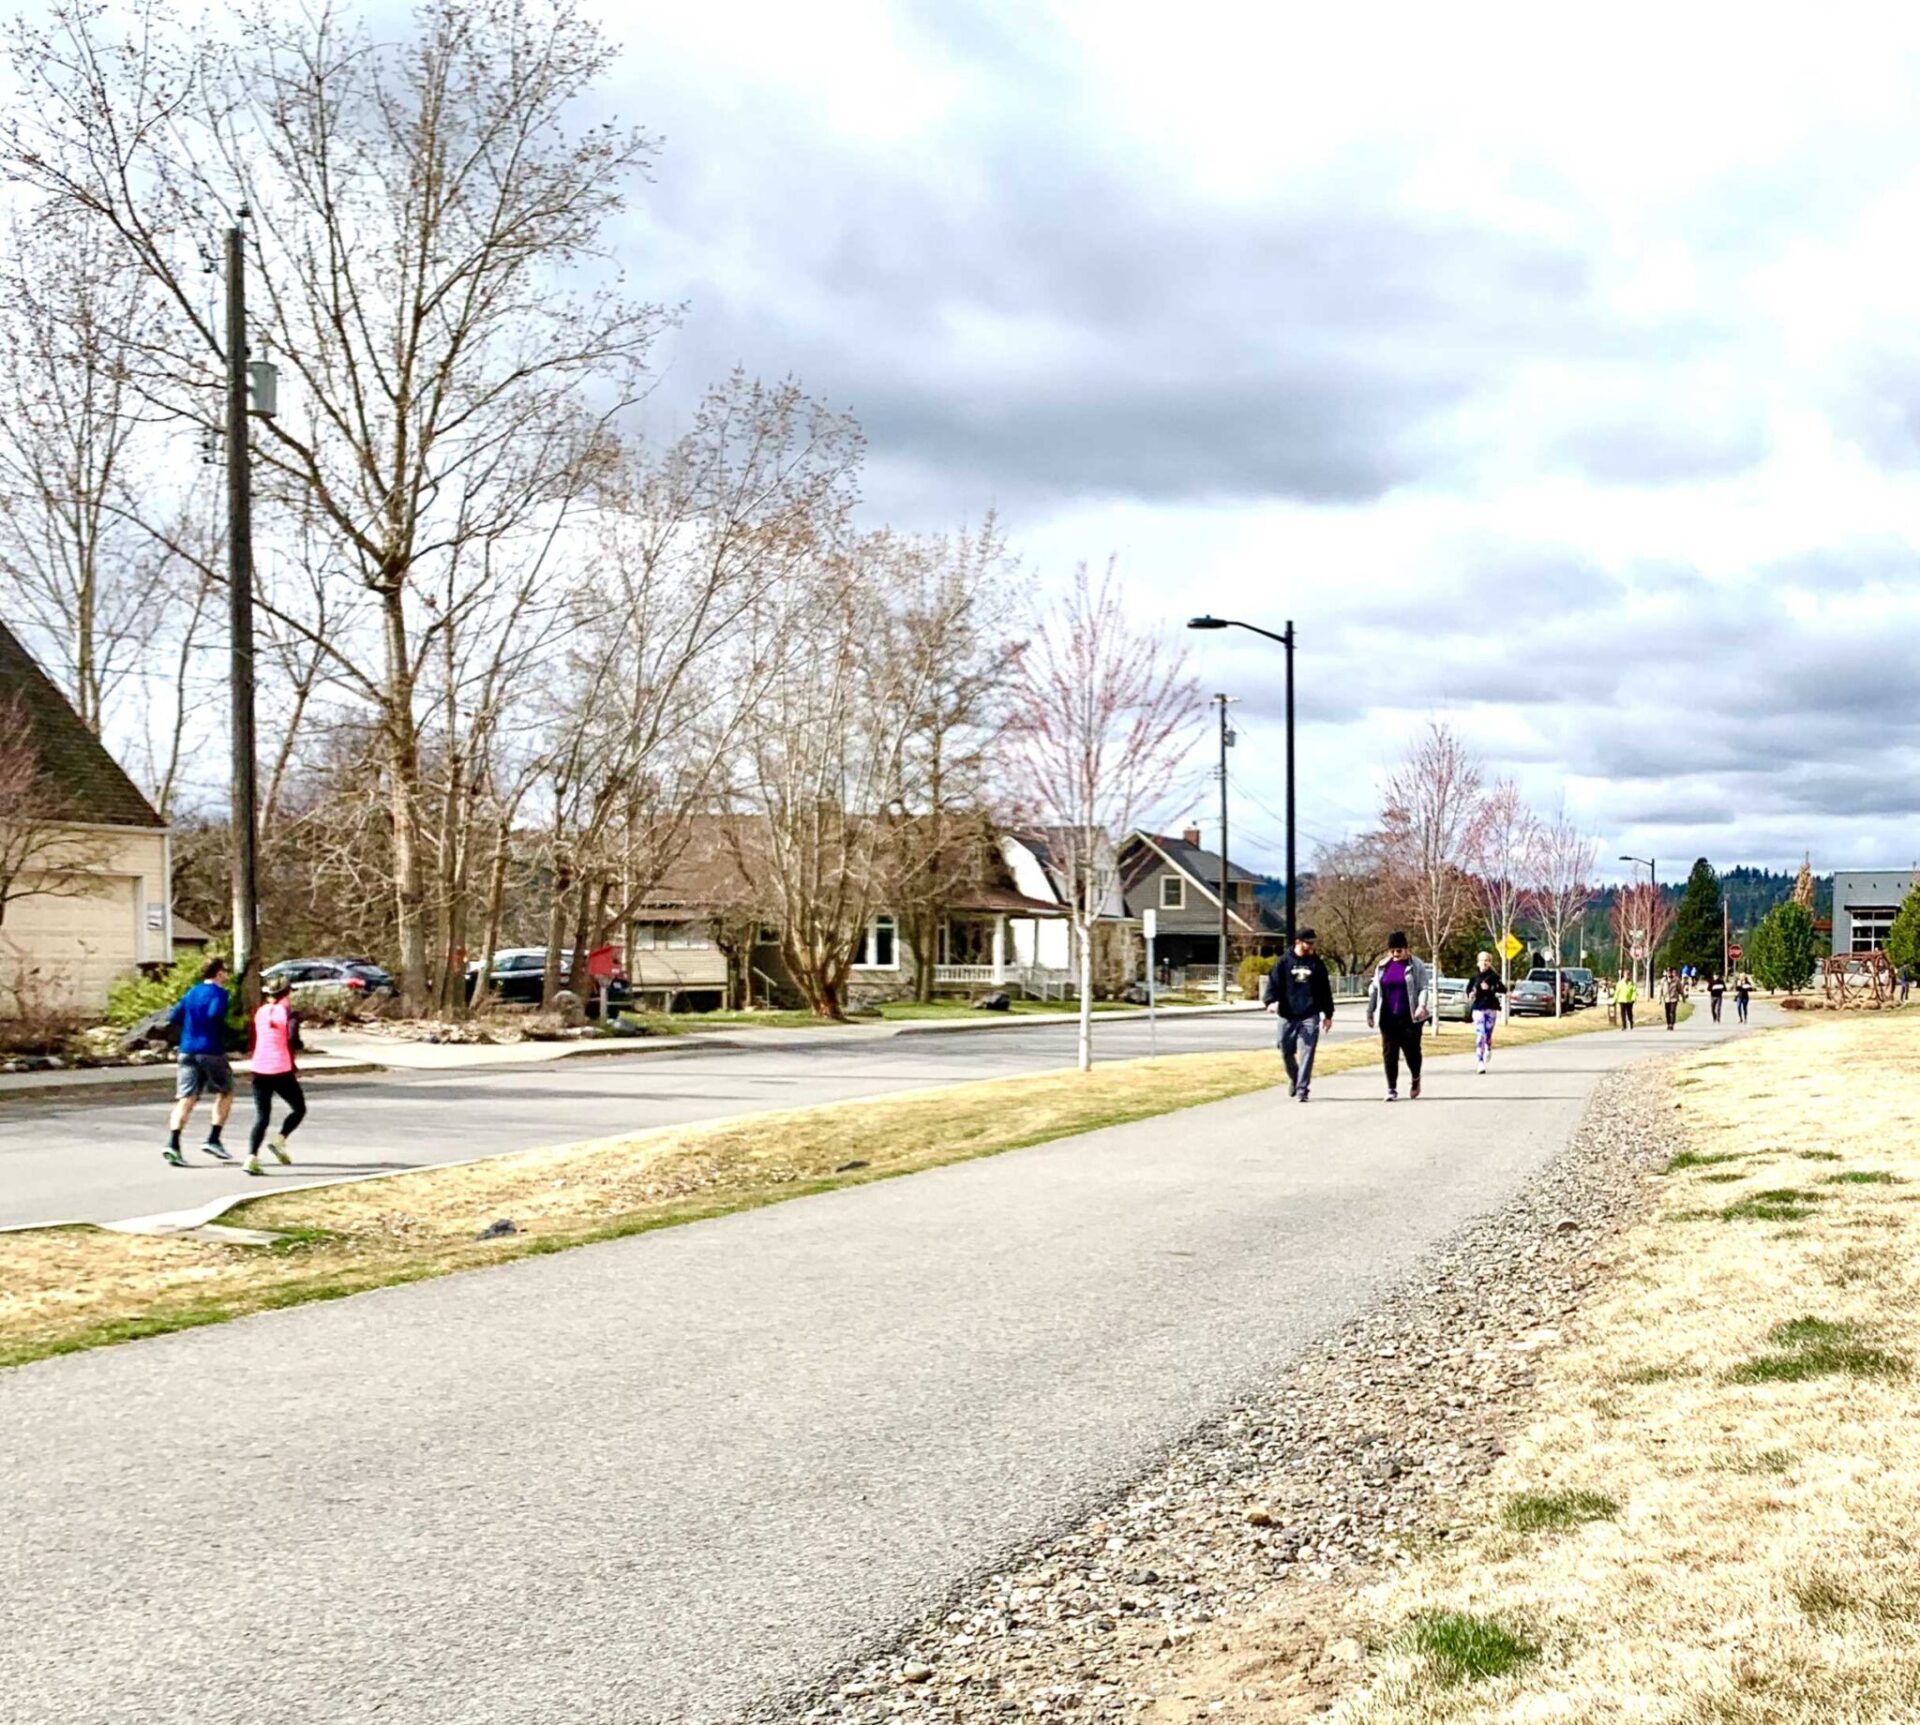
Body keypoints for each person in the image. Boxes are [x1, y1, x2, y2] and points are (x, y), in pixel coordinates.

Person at [165, 956, 235, 1165]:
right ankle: (214, 1138)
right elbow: (215, 1014)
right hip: (211, 1049)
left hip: (187, 1049)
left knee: (186, 1098)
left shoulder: (192, 992)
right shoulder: (220, 994)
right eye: (225, 971)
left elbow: (175, 1016)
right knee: (225, 1092)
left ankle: (173, 1143)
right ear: (219, 973)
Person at [1262, 927, 1336, 1102]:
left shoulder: (1316, 964)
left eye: (1313, 943)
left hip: (1309, 1014)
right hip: (1287, 1014)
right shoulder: (1283, 962)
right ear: (1298, 942)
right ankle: (1295, 1078)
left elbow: (1325, 990)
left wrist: (1328, 1014)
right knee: (1285, 1050)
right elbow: (1273, 983)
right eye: (1308, 943)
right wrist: (1270, 1001)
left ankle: (1302, 1089)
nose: (1311, 946)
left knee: (1307, 1051)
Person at [246, 972, 307, 1177]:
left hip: (259, 1068)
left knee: (262, 1117)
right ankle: (279, 1140)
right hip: (281, 1069)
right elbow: (292, 1038)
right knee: (299, 1108)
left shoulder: (261, 1011)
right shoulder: (289, 1013)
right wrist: (298, 1044)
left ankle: (251, 1157)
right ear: (287, 992)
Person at [1366, 931, 1431, 1101]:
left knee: (1412, 1052)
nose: (1396, 954)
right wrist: (1370, 1011)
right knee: (1389, 1052)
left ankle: (1415, 1078)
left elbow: (1423, 987)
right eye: (1392, 951)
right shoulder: (1382, 966)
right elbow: (1374, 989)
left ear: (1407, 949)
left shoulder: (1416, 965)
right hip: (1388, 1016)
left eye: (1399, 950)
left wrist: (1421, 1006)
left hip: (1410, 1016)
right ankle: (1391, 1088)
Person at [1466, 951, 1505, 1073]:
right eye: (1482, 960)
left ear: (1490, 963)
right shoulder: (1474, 978)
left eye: (1487, 960)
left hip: (1491, 1008)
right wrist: (1470, 994)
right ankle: (1480, 1062)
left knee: (1487, 1035)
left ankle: (1489, 1046)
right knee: (1480, 1035)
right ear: (1478, 962)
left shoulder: (1494, 976)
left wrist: (1491, 987)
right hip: (1478, 1008)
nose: (1484, 962)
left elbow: (1503, 989)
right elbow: (1468, 991)